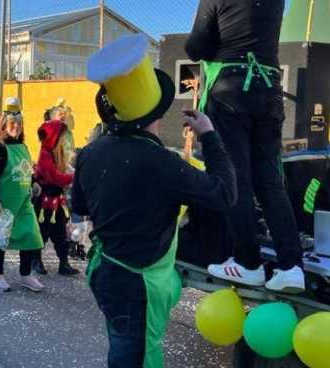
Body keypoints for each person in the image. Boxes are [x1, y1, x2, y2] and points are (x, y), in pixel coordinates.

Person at [76, 33, 236, 367]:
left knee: (122, 344)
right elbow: (225, 194)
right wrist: (209, 134)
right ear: (156, 115)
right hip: (137, 284)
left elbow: (79, 207)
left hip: (105, 271)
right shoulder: (163, 163)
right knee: (135, 355)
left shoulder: (90, 153)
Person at [186, 0, 304, 292]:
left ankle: (247, 262)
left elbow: (196, 47)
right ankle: (292, 266)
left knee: (235, 177)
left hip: (230, 90)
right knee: (270, 182)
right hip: (269, 90)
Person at [0, 112, 45, 292]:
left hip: (24, 203)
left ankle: (25, 275)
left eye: (19, 124)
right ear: (3, 126)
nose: (16, 127)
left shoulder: (23, 147)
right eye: (12, 124)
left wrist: (34, 182)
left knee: (30, 236)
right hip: (4, 203)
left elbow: (28, 170)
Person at [31, 118, 79, 276]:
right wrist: (74, 177)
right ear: (54, 138)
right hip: (45, 202)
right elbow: (55, 177)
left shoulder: (57, 154)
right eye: (62, 137)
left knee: (60, 232)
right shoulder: (45, 155)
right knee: (42, 232)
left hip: (57, 202)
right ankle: (35, 260)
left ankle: (63, 263)